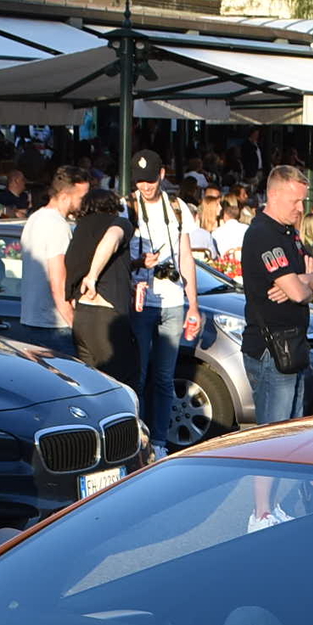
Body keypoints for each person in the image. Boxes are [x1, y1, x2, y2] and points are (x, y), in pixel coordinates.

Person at [126, 150, 204, 459]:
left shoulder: (178, 207)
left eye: (149, 180)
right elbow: (119, 258)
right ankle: (138, 441)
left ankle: (158, 441)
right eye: (139, 181)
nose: (144, 186)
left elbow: (187, 256)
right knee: (139, 375)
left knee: (163, 377)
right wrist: (138, 263)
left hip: (173, 300)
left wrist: (193, 303)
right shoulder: (127, 207)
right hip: (140, 299)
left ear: (162, 175)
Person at [239, 163, 313, 432]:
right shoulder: (263, 235)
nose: (300, 209)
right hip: (272, 350)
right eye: (295, 201)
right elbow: (301, 294)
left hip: (295, 345)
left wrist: (302, 280)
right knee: (272, 439)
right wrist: (304, 285)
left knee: (293, 436)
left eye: (303, 201)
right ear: (274, 196)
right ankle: (262, 478)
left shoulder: (290, 234)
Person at [67, 188, 136, 386]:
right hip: (108, 314)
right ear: (113, 207)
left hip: (82, 315)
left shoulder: (79, 230)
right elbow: (112, 240)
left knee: (89, 385)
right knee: (119, 384)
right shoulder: (119, 223)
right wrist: (93, 276)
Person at [13, 166, 84, 352]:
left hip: (30, 319)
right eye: (81, 197)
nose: (83, 203)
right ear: (65, 196)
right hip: (54, 325)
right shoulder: (58, 226)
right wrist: (74, 323)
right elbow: (58, 282)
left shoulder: (34, 219)